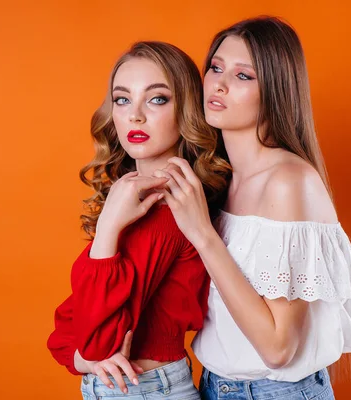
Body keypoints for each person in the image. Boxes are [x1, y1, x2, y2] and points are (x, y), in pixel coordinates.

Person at [153, 16, 351, 399]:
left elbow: (277, 348)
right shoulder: (222, 179)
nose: (218, 84)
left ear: (276, 90)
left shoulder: (288, 181)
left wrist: (203, 234)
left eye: (243, 76)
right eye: (216, 68)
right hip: (212, 386)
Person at [46, 41, 230, 399]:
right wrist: (82, 358)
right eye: (122, 99)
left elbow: (98, 344)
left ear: (187, 109)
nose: (135, 115)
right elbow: (68, 330)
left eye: (157, 99)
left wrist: (108, 230)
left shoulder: (169, 208)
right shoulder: (140, 198)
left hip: (144, 390)